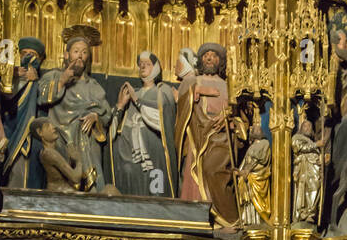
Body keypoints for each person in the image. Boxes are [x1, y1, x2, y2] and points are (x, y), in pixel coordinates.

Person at [175, 42, 240, 226]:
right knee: (196, 173)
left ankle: (226, 220)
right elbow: (181, 110)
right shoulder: (191, 81)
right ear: (200, 60)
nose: (209, 58)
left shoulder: (230, 86)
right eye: (205, 55)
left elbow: (239, 116)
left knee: (216, 171)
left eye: (214, 55)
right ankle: (194, 218)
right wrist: (196, 91)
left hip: (222, 138)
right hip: (197, 137)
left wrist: (228, 117)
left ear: (220, 61)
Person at [37, 30, 111, 192]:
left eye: (84, 53)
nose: (79, 56)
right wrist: (62, 80)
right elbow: (41, 97)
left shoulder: (93, 86)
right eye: (76, 51)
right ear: (66, 54)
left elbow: (106, 113)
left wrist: (95, 116)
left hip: (87, 139)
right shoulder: (53, 76)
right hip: (61, 138)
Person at [109, 51, 178, 197]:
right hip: (130, 152)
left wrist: (137, 100)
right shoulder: (135, 92)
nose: (143, 67)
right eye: (140, 65)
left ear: (156, 68)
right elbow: (115, 124)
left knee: (155, 191)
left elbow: (162, 116)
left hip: (153, 152)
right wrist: (120, 105)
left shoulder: (162, 90)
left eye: (147, 64)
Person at [3, 37, 47, 189]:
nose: (28, 57)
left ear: (40, 60)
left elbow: (44, 102)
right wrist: (15, 77)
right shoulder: (10, 77)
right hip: (11, 130)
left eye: (33, 54)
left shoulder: (43, 82)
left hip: (33, 136)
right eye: (24, 53)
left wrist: (34, 82)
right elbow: (5, 98)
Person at [29, 118, 85, 192]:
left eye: (52, 124)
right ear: (40, 132)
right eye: (47, 126)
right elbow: (75, 178)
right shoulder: (49, 153)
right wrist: (79, 161)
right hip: (61, 194)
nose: (53, 127)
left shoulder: (49, 152)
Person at [236, 124, 271, 224]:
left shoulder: (265, 143)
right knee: (248, 199)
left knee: (256, 197)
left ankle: (259, 220)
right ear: (252, 133)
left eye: (260, 129)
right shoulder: (251, 147)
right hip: (248, 176)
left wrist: (246, 171)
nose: (258, 131)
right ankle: (249, 220)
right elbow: (245, 162)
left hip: (258, 175)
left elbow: (261, 160)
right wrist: (239, 171)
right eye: (255, 130)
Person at [291, 119, 323, 225]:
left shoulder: (311, 140)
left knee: (316, 187)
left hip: (314, 168)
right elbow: (298, 148)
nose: (308, 128)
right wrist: (316, 145)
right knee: (308, 188)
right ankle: (304, 213)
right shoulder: (297, 137)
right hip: (304, 169)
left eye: (310, 126)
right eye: (306, 126)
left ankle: (311, 212)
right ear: (301, 128)